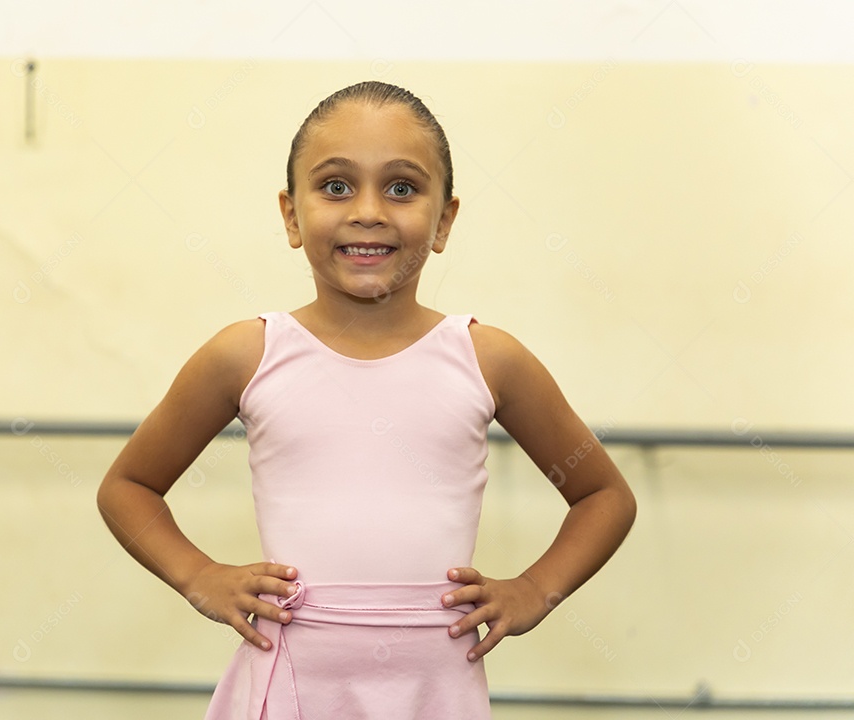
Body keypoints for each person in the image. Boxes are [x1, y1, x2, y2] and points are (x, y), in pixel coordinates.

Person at [97, 80, 637, 719]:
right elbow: (128, 485)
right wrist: (199, 575)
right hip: (290, 683)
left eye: (403, 188)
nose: (368, 211)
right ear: (291, 215)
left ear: (445, 220)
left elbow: (604, 497)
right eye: (335, 186)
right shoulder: (246, 354)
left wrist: (534, 590)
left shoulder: (488, 359)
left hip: (435, 689)